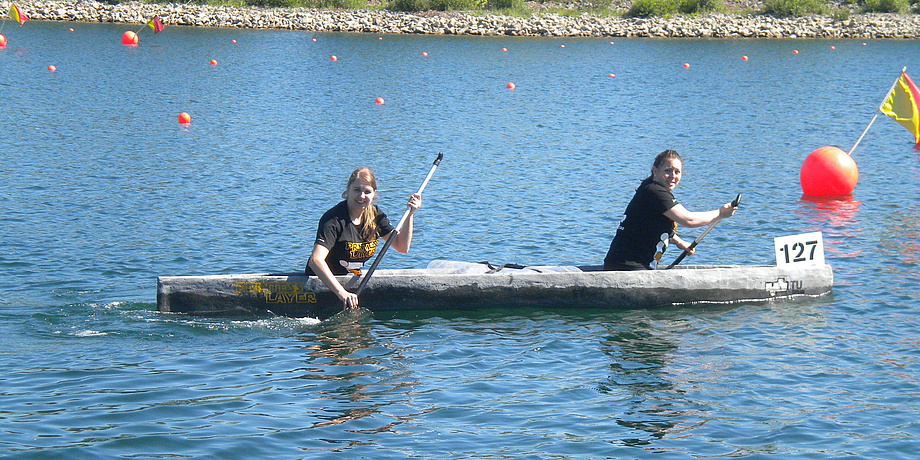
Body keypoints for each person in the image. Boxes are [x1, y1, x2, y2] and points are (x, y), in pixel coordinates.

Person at [306, 167, 421, 308]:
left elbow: (402, 247)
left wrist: (410, 214)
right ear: (347, 190)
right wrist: (342, 293)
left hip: (352, 286)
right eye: (356, 190)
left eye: (367, 192)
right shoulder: (333, 219)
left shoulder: (376, 216)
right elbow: (315, 260)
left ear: (373, 194)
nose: (361, 196)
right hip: (323, 285)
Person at [604, 149, 735, 271]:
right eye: (668, 170)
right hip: (627, 268)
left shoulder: (649, 190)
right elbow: (688, 220)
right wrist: (720, 213)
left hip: (626, 266)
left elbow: (651, 227)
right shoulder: (655, 192)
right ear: (655, 171)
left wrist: (679, 242)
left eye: (677, 172)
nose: (673, 176)